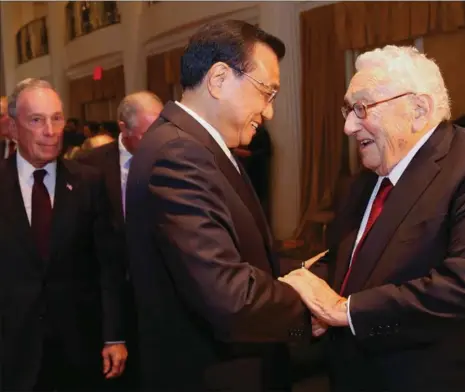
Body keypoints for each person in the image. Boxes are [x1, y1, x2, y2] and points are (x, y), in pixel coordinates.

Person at [280, 45, 465, 392]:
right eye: (349, 110)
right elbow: (349, 260)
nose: (349, 126)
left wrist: (345, 309)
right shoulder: (363, 181)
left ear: (418, 109)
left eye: (362, 108)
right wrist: (298, 286)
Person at [124, 20, 311, 391]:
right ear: (219, 78)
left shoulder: (195, 145)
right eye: (266, 93)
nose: (269, 112)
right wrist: (307, 304)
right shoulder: (179, 154)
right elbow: (228, 297)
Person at [0, 78, 127, 391]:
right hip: (10, 346)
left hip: (78, 346)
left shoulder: (89, 182)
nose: (51, 130)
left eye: (57, 118)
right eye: (37, 120)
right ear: (13, 129)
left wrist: (114, 335)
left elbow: (108, 265)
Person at [78, 91, 163, 390]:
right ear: (123, 129)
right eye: (146, 135)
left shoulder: (171, 160)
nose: (156, 143)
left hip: (158, 291)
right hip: (108, 291)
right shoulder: (88, 166)